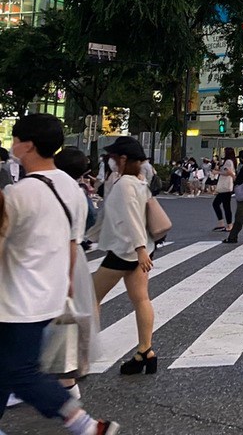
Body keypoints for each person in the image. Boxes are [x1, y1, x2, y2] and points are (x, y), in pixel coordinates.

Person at [1, 115, 120, 433]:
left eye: (15, 139)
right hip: (50, 295)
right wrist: (65, 286)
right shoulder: (72, 188)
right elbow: (72, 244)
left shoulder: (18, 194)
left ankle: (85, 424)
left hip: (15, 300)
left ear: (27, 145)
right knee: (6, 367)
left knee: (21, 372)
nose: (12, 145)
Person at [91, 136, 158, 375]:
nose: (109, 160)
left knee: (91, 296)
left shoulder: (124, 184)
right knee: (141, 299)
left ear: (123, 158)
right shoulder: (140, 182)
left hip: (125, 251)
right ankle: (145, 351)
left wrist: (139, 248)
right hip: (140, 251)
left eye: (112, 157)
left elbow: (130, 217)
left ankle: (82, 354)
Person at [52, 148, 101, 393]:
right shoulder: (80, 190)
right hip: (78, 254)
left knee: (60, 315)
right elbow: (91, 218)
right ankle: (78, 366)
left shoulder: (51, 186)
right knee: (77, 312)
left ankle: (65, 373)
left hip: (61, 255)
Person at [211, 147, 235, 234]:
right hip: (225, 186)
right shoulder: (229, 161)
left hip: (225, 187)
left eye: (225, 152)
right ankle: (223, 223)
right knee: (222, 205)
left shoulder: (228, 162)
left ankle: (228, 224)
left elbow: (228, 172)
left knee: (222, 205)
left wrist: (217, 172)